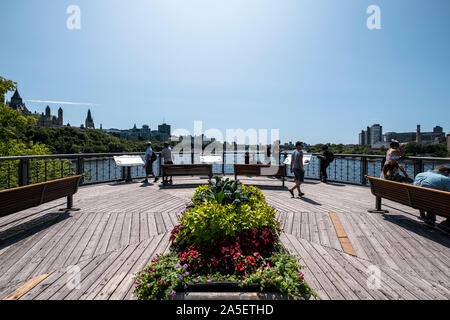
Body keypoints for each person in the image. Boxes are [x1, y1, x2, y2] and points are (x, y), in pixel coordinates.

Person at [413, 165, 450, 233]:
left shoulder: (419, 175)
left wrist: (422, 213)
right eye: (448, 174)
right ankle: (447, 224)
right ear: (445, 172)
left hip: (417, 202)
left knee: (431, 196)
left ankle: (429, 218)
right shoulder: (444, 179)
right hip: (436, 205)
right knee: (436, 198)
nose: (448, 176)